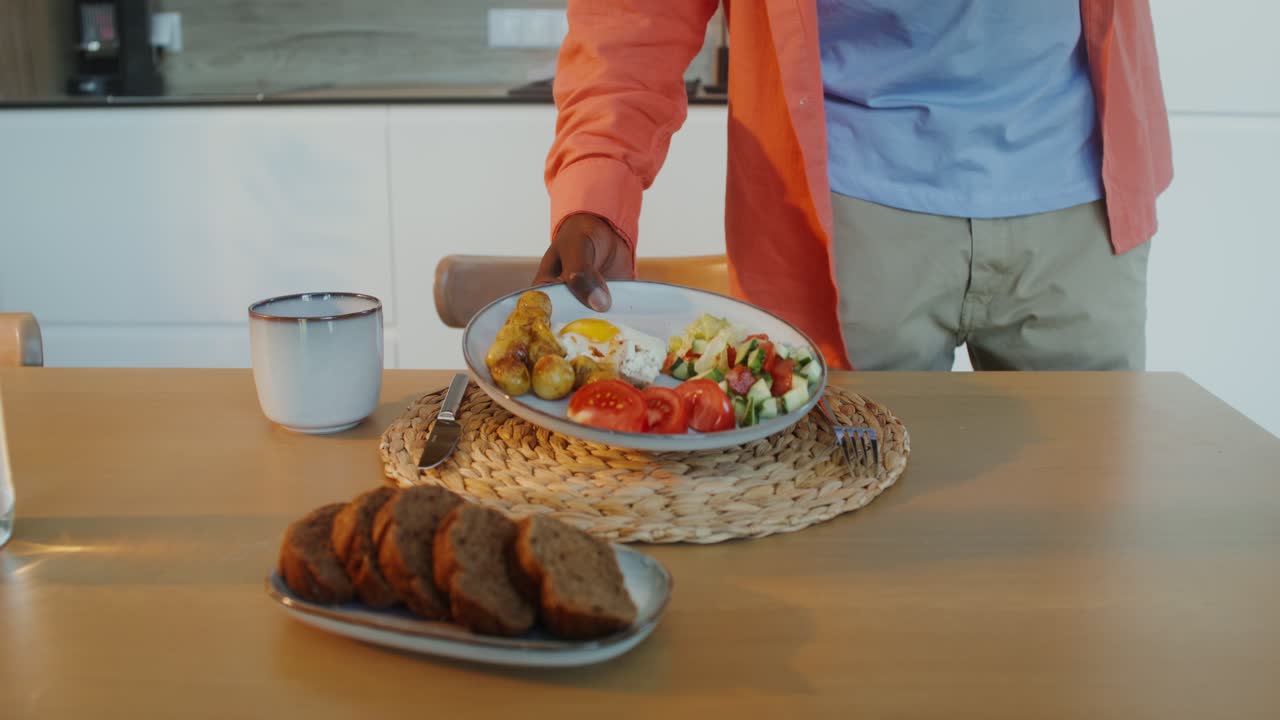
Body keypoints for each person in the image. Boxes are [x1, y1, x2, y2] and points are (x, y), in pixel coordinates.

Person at [533, 1, 1172, 371]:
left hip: (1080, 196)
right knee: (842, 554)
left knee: (1084, 544)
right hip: (837, 216)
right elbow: (638, 15)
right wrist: (598, 182)